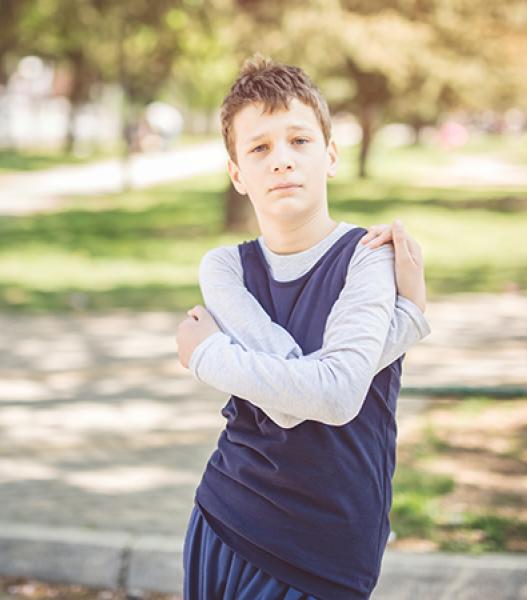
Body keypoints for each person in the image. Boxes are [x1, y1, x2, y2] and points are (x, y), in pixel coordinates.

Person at [175, 54, 431, 599]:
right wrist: (408, 321)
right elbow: (295, 395)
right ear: (237, 174)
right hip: (226, 515)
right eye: (259, 148)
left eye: (299, 140)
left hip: (326, 546)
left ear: (330, 155)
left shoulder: (368, 257)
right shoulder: (226, 268)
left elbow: (334, 397)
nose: (281, 160)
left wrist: (206, 357)